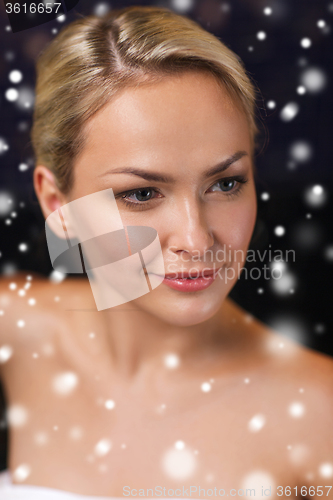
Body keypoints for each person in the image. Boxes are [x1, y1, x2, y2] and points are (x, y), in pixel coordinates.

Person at [0, 5, 332, 499]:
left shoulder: (318, 419)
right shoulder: (16, 332)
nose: (197, 241)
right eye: (141, 194)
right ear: (58, 203)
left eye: (225, 183)